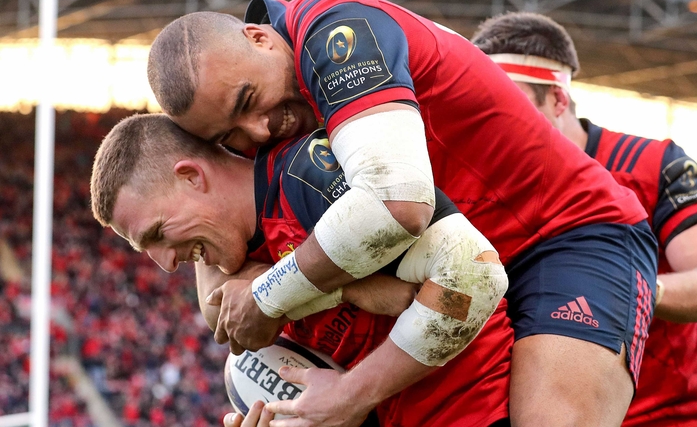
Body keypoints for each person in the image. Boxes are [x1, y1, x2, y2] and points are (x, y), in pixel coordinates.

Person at [146, 0, 659, 427]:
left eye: (247, 101)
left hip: (569, 234)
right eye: (228, 136)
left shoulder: (337, 30)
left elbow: (396, 206)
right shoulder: (260, 104)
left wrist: (270, 297)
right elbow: (219, 301)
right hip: (467, 265)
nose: (258, 132)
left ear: (259, 38)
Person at [90, 113, 513, 427]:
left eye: (158, 233)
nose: (166, 265)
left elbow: (469, 281)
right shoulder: (240, 275)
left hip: (477, 412)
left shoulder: (310, 179)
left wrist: (350, 394)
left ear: (191, 177)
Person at [471, 11, 697, 427]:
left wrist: (622, 289)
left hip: (663, 418)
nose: (493, 128)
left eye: (509, 107)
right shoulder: (478, 180)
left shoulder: (650, 164)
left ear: (558, 100)